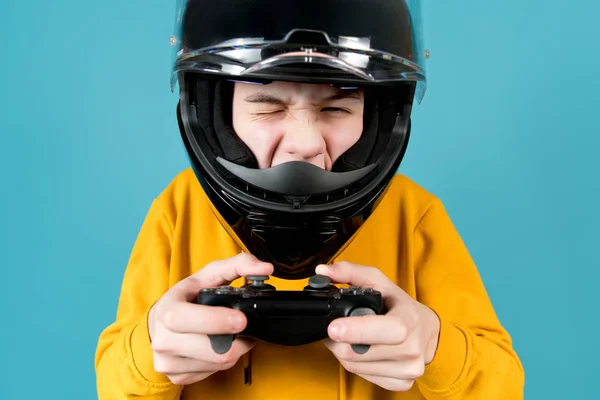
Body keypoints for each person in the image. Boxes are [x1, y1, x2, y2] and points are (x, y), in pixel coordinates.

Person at [94, 0, 525, 399]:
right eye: (265, 106)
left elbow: (503, 384)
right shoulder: (178, 212)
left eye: (336, 108)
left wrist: (434, 344)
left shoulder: (413, 216)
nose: (304, 144)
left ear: (378, 116)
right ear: (213, 110)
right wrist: (152, 348)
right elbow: (114, 382)